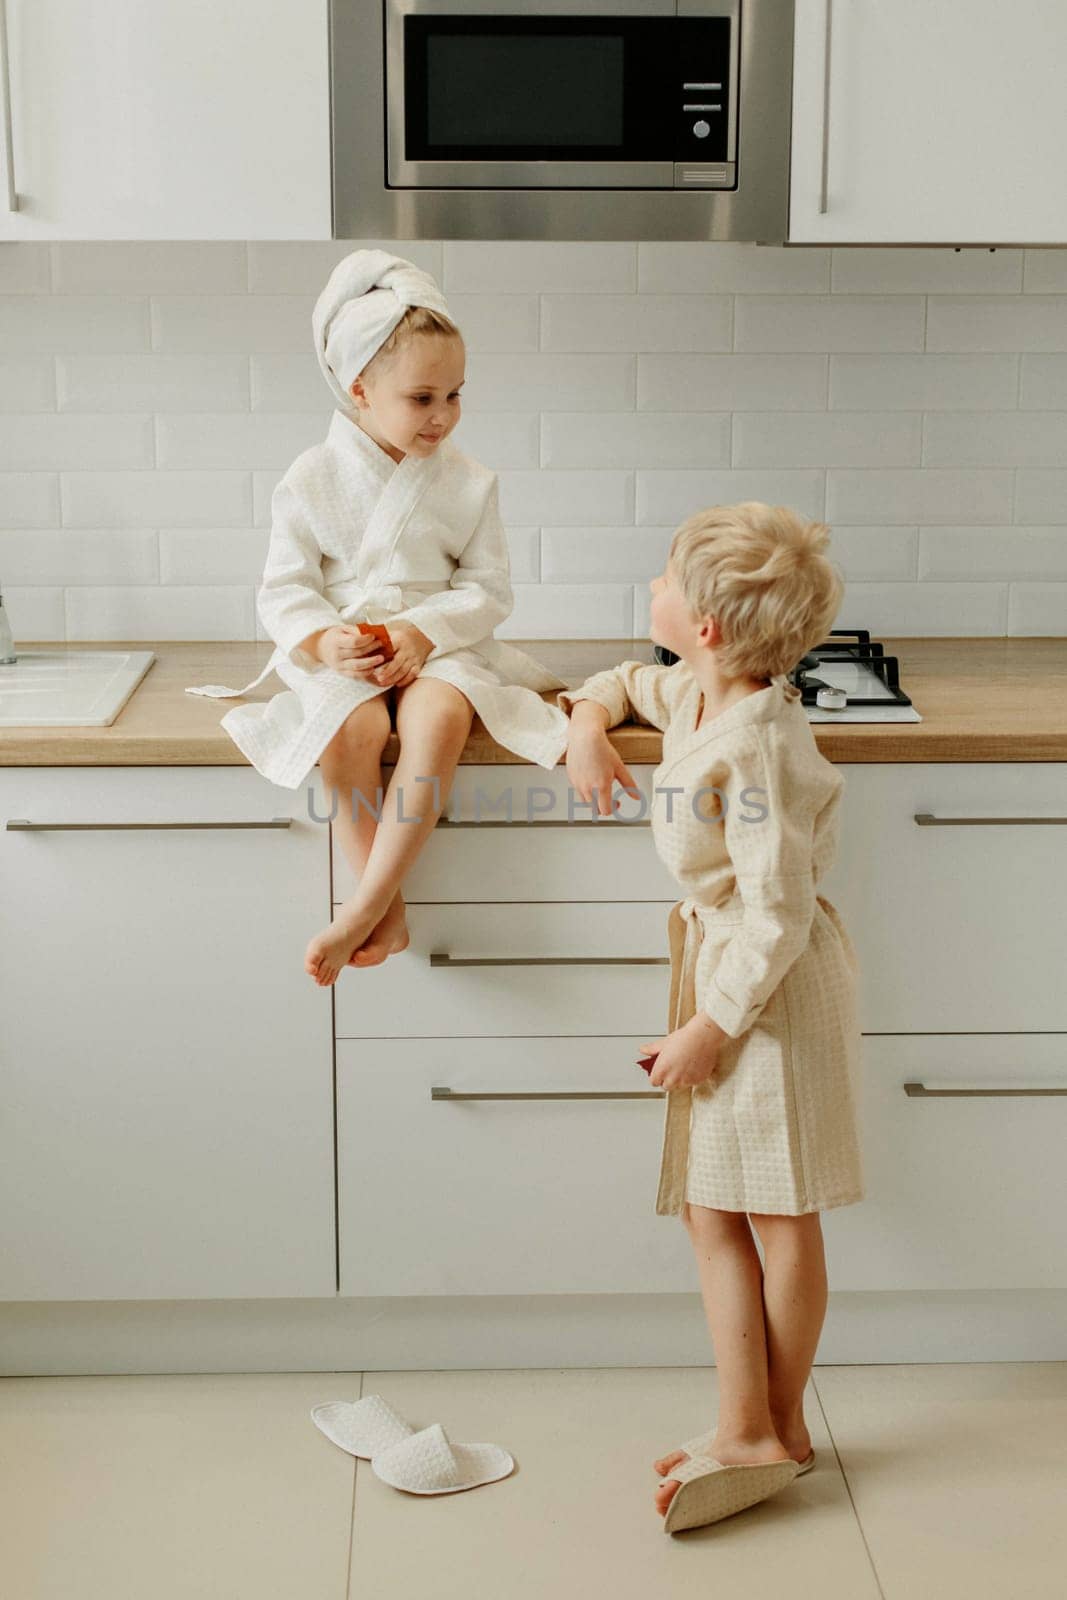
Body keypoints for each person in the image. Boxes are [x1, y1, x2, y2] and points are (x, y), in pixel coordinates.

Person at [558, 502, 865, 1535]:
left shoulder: (758, 746)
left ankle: (759, 1427)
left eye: (664, 579)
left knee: (771, 1211)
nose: (650, 589)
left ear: (711, 627)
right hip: (728, 974)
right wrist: (588, 728)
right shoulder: (695, 690)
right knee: (712, 1204)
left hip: (763, 990)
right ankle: (766, 1429)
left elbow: (775, 917)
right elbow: (616, 681)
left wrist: (710, 1026)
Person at [186, 250, 569, 986]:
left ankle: (360, 906)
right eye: (422, 397)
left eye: (455, 395)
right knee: (351, 729)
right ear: (359, 388)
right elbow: (283, 587)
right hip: (349, 651)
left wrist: (422, 633)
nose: (443, 416)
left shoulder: (468, 481)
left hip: (436, 646)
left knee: (438, 720)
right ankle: (384, 906)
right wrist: (324, 640)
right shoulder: (311, 476)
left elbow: (488, 589)